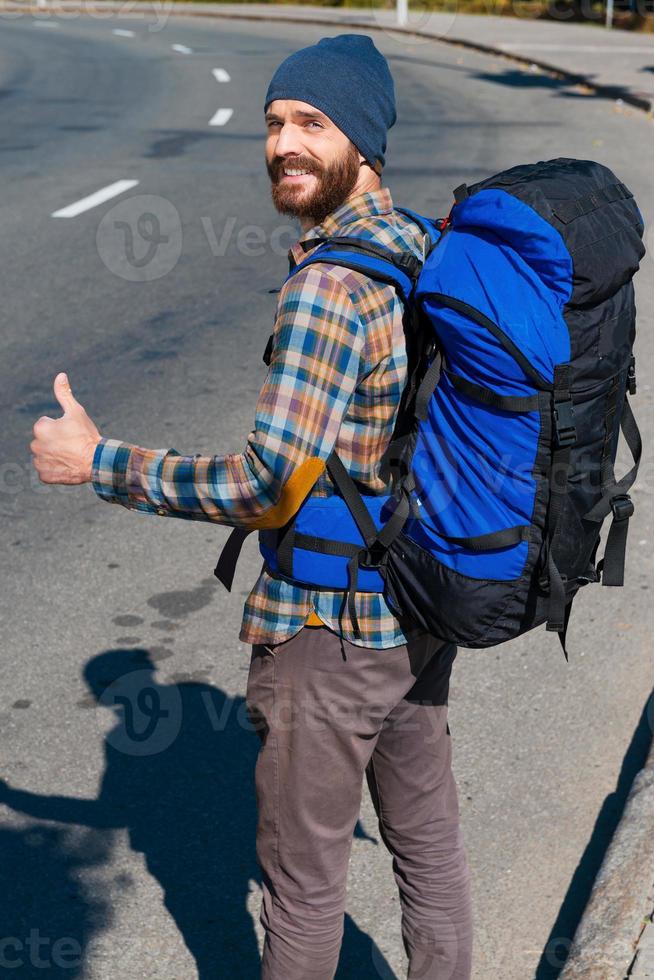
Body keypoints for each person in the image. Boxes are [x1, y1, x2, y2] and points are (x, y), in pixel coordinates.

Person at [30, 33, 473, 980]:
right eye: (274, 124)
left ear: (363, 139)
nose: (282, 144)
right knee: (430, 852)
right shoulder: (421, 248)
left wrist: (100, 461)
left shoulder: (329, 286)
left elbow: (266, 485)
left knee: (302, 893)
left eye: (311, 123)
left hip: (325, 630)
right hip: (415, 608)